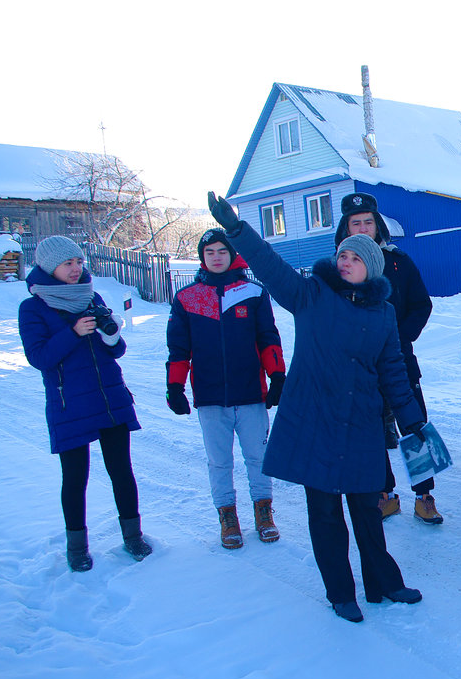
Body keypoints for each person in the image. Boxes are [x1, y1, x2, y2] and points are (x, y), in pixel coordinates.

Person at [208, 192, 423, 623]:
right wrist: (236, 229)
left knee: (367, 508)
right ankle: (341, 592)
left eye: (355, 258)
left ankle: (384, 582)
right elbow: (268, 264)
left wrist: (412, 421)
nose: (345, 261)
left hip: (361, 422)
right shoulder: (311, 294)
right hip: (314, 421)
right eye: (342, 254)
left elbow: (393, 370)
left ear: (372, 268)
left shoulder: (382, 315)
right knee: (325, 514)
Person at [19, 236, 152, 571]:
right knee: (76, 477)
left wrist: (111, 337)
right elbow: (39, 357)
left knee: (122, 470)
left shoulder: (91, 296)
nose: (76, 269)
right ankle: (77, 547)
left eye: (78, 262)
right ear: (50, 267)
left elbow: (115, 351)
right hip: (70, 404)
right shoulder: (33, 308)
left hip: (109, 396)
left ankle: (133, 536)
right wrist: (74, 332)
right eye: (68, 264)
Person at [166, 229, 286, 549]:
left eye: (222, 251)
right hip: (210, 397)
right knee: (219, 461)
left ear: (232, 254)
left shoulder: (252, 292)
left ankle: (263, 511)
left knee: (258, 456)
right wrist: (175, 387)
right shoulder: (186, 298)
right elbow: (178, 349)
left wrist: (277, 376)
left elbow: (268, 339)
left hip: (250, 393)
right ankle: (228, 516)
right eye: (210, 252)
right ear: (202, 257)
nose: (216, 257)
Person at [334, 193, 441, 524]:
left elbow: (421, 304)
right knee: (372, 431)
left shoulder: (399, 262)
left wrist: (398, 336)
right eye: (356, 223)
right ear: (346, 228)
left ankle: (424, 496)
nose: (364, 228)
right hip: (361, 369)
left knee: (414, 427)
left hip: (400, 362)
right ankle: (385, 494)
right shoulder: (340, 267)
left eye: (369, 221)